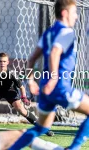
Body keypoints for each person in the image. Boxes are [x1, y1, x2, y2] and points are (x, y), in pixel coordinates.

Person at [9, 0, 89, 150]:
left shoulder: (48, 33)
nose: (76, 17)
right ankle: (73, 148)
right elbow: (54, 53)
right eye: (74, 13)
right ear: (65, 13)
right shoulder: (67, 32)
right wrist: (54, 78)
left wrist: (31, 81)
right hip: (59, 87)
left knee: (41, 128)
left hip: (45, 88)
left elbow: (32, 59)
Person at [0, 52, 54, 136]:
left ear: (8, 62)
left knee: (21, 109)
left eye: (4, 61)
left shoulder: (12, 73)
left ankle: (42, 128)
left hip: (10, 91)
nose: (2, 63)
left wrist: (24, 97)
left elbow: (22, 87)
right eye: (0, 61)